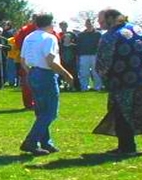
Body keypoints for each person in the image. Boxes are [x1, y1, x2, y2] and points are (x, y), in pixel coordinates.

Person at [94, 9, 142, 156]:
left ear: (111, 18)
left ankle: (127, 147)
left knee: (122, 113)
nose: (100, 23)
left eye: (102, 20)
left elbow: (103, 62)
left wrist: (104, 77)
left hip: (123, 80)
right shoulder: (137, 29)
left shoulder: (110, 36)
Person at [19, 14, 73, 155]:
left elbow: (23, 59)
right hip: (46, 74)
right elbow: (51, 61)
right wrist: (66, 74)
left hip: (32, 73)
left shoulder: (29, 37)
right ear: (51, 23)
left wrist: (31, 72)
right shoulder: (50, 38)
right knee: (50, 112)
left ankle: (45, 142)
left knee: (41, 111)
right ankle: (31, 141)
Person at [75, 19, 102, 91]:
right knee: (84, 72)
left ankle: (97, 87)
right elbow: (78, 46)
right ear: (85, 25)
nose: (89, 25)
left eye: (90, 24)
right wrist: (78, 56)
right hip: (84, 55)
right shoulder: (81, 35)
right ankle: (84, 87)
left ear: (93, 24)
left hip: (95, 55)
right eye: (87, 24)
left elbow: (101, 45)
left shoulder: (98, 34)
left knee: (96, 72)